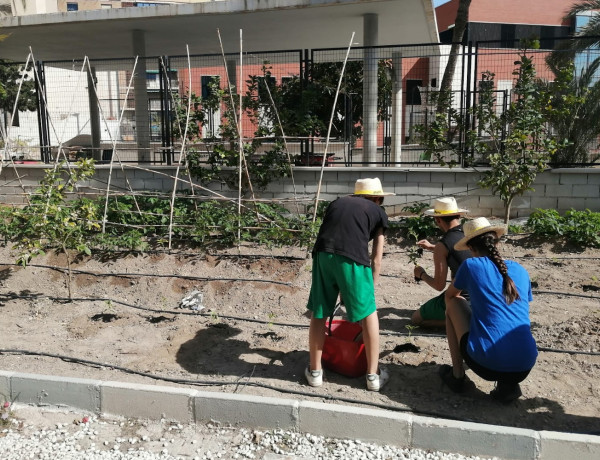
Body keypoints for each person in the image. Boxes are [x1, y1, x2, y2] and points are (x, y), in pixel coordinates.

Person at [305, 177, 393, 392]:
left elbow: (336, 232)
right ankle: (373, 376)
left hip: (322, 254)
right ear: (378, 199)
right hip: (353, 259)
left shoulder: (337, 203)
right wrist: (370, 287)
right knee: (369, 313)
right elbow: (376, 258)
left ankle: (315, 372)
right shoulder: (378, 212)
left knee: (320, 310)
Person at [440, 217, 538, 404]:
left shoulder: (471, 265)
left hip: (486, 365)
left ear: (470, 248)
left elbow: (450, 296)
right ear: (497, 242)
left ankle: (457, 375)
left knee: (453, 303)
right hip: (524, 366)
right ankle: (507, 386)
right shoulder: (520, 270)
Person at [411, 197, 471, 328]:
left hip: (461, 297)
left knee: (416, 319)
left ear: (437, 220)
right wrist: (433, 247)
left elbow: (439, 285)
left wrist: (421, 274)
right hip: (482, 295)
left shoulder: (443, 245)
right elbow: (459, 250)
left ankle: (462, 322)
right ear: (458, 215)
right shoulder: (469, 233)